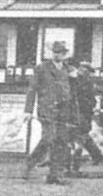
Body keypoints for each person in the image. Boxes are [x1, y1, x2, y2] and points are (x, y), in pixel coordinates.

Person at [23, 40, 75, 185]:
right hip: (47, 110)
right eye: (56, 52)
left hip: (63, 111)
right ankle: (30, 163)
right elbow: (32, 89)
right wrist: (28, 110)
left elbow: (72, 91)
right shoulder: (42, 68)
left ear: (65, 54)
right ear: (52, 53)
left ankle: (55, 175)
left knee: (61, 142)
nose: (58, 55)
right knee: (48, 138)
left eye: (61, 52)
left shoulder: (69, 69)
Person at [70, 60, 103, 173]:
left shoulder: (85, 83)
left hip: (82, 113)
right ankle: (97, 155)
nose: (82, 70)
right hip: (80, 113)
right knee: (82, 136)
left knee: (79, 138)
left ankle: (75, 167)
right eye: (81, 68)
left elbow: (91, 100)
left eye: (85, 69)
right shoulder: (81, 81)